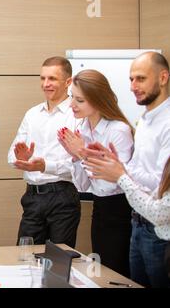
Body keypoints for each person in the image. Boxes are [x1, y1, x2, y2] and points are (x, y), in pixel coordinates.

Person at [80, 51, 170, 287]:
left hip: (159, 229)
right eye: (131, 79)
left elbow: (161, 183)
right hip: (137, 222)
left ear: (163, 77)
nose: (132, 86)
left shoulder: (167, 122)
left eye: (140, 78)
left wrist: (120, 171)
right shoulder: (146, 120)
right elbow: (139, 172)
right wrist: (116, 165)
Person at [57, 69, 134, 277]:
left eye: (79, 100)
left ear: (98, 100)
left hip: (120, 211)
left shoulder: (118, 130)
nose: (72, 104)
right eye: (72, 96)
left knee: (118, 272)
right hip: (99, 210)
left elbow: (114, 183)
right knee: (103, 271)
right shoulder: (83, 128)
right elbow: (82, 187)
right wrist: (75, 157)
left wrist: (82, 154)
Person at [8, 56, 80, 248]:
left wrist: (44, 166)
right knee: (24, 257)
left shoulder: (78, 115)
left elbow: (80, 164)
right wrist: (20, 158)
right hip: (32, 197)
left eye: (52, 79)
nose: (46, 84)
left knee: (58, 261)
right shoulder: (32, 114)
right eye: (42, 78)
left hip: (63, 196)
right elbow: (11, 155)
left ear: (68, 82)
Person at [85, 156, 170, 278]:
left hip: (159, 236)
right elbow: (155, 198)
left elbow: (158, 213)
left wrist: (121, 175)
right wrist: (119, 170)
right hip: (139, 221)